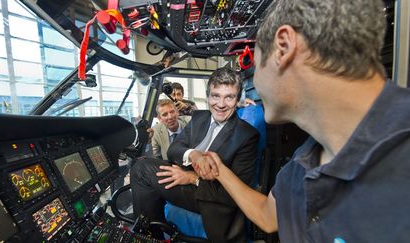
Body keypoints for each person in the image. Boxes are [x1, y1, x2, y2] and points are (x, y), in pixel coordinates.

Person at [198, 0, 410, 242]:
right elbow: (267, 216)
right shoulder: (300, 164)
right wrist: (220, 169)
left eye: (256, 64)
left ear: (283, 48)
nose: (254, 81)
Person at [130, 67, 259, 242]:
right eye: (215, 96)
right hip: (184, 175)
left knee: (141, 170)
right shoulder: (200, 118)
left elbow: (236, 194)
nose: (221, 104)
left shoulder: (247, 136)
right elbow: (174, 149)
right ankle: (152, 235)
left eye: (229, 97)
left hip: (210, 195)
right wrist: (194, 155)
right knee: (142, 166)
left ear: (237, 99)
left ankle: (147, 238)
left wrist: (192, 178)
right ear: (208, 96)